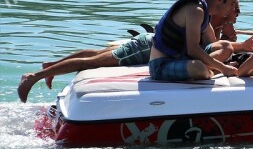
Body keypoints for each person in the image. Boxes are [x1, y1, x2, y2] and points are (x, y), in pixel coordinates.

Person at [17, 33, 153, 103]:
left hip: (148, 40)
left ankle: (51, 67)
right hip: (146, 47)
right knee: (90, 63)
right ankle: (34, 77)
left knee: (95, 55)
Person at [149, 0, 239, 81]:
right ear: (219, 0)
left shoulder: (205, 11)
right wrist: (223, 68)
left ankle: (210, 70)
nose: (233, 8)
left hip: (182, 58)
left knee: (226, 46)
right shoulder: (196, 10)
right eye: (232, 4)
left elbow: (211, 42)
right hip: (162, 64)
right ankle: (212, 71)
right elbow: (193, 50)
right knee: (198, 68)